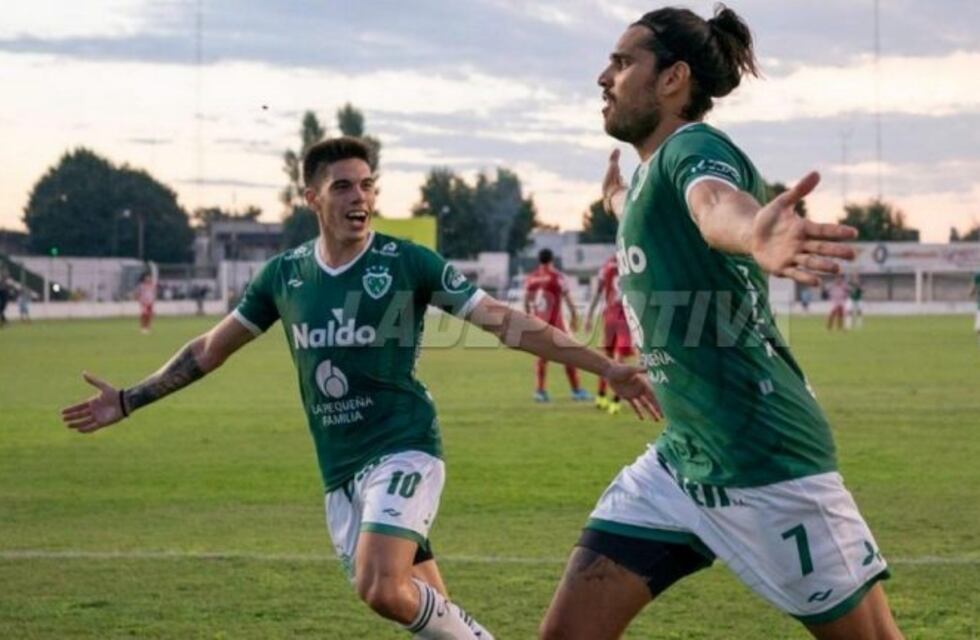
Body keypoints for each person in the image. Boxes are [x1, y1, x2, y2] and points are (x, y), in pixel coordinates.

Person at [61, 137, 661, 640]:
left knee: (378, 586)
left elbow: (505, 320)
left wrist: (604, 366)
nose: (361, 197)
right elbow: (208, 351)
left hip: (404, 447)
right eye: (344, 186)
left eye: (368, 185)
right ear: (312, 198)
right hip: (339, 471)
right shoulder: (284, 276)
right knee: (421, 608)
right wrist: (129, 399)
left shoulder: (408, 263)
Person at [539, 6, 902, 640]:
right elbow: (656, 206)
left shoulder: (694, 148)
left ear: (674, 78)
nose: (604, 76)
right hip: (680, 462)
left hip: (764, 460)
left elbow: (713, 206)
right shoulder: (652, 173)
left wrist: (753, 231)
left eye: (623, 63)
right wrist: (615, 199)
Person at [524, 249, 591, 402]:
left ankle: (540, 392)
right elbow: (568, 300)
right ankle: (576, 391)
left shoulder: (531, 278)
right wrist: (574, 317)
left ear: (539, 260)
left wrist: (528, 318)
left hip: (538, 323)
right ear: (552, 259)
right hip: (556, 324)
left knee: (542, 358)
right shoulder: (557, 277)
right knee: (570, 356)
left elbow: (526, 302)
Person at [585, 254, 635, 415]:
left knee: (606, 358)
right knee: (619, 359)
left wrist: (588, 316)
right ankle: (615, 401)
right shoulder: (631, 263)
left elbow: (597, 293)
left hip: (609, 315)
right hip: (625, 316)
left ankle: (600, 396)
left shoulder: (606, 266)